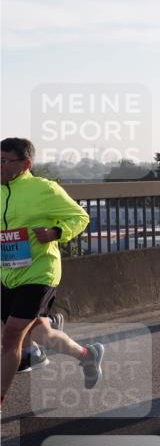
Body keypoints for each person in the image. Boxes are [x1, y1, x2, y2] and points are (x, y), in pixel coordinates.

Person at [1, 138, 104, 405]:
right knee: (43, 336)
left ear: (25, 164)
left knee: (11, 335)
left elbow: (80, 217)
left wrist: (56, 233)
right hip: (8, 274)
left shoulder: (44, 189)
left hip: (39, 273)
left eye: (3, 161)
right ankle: (86, 355)